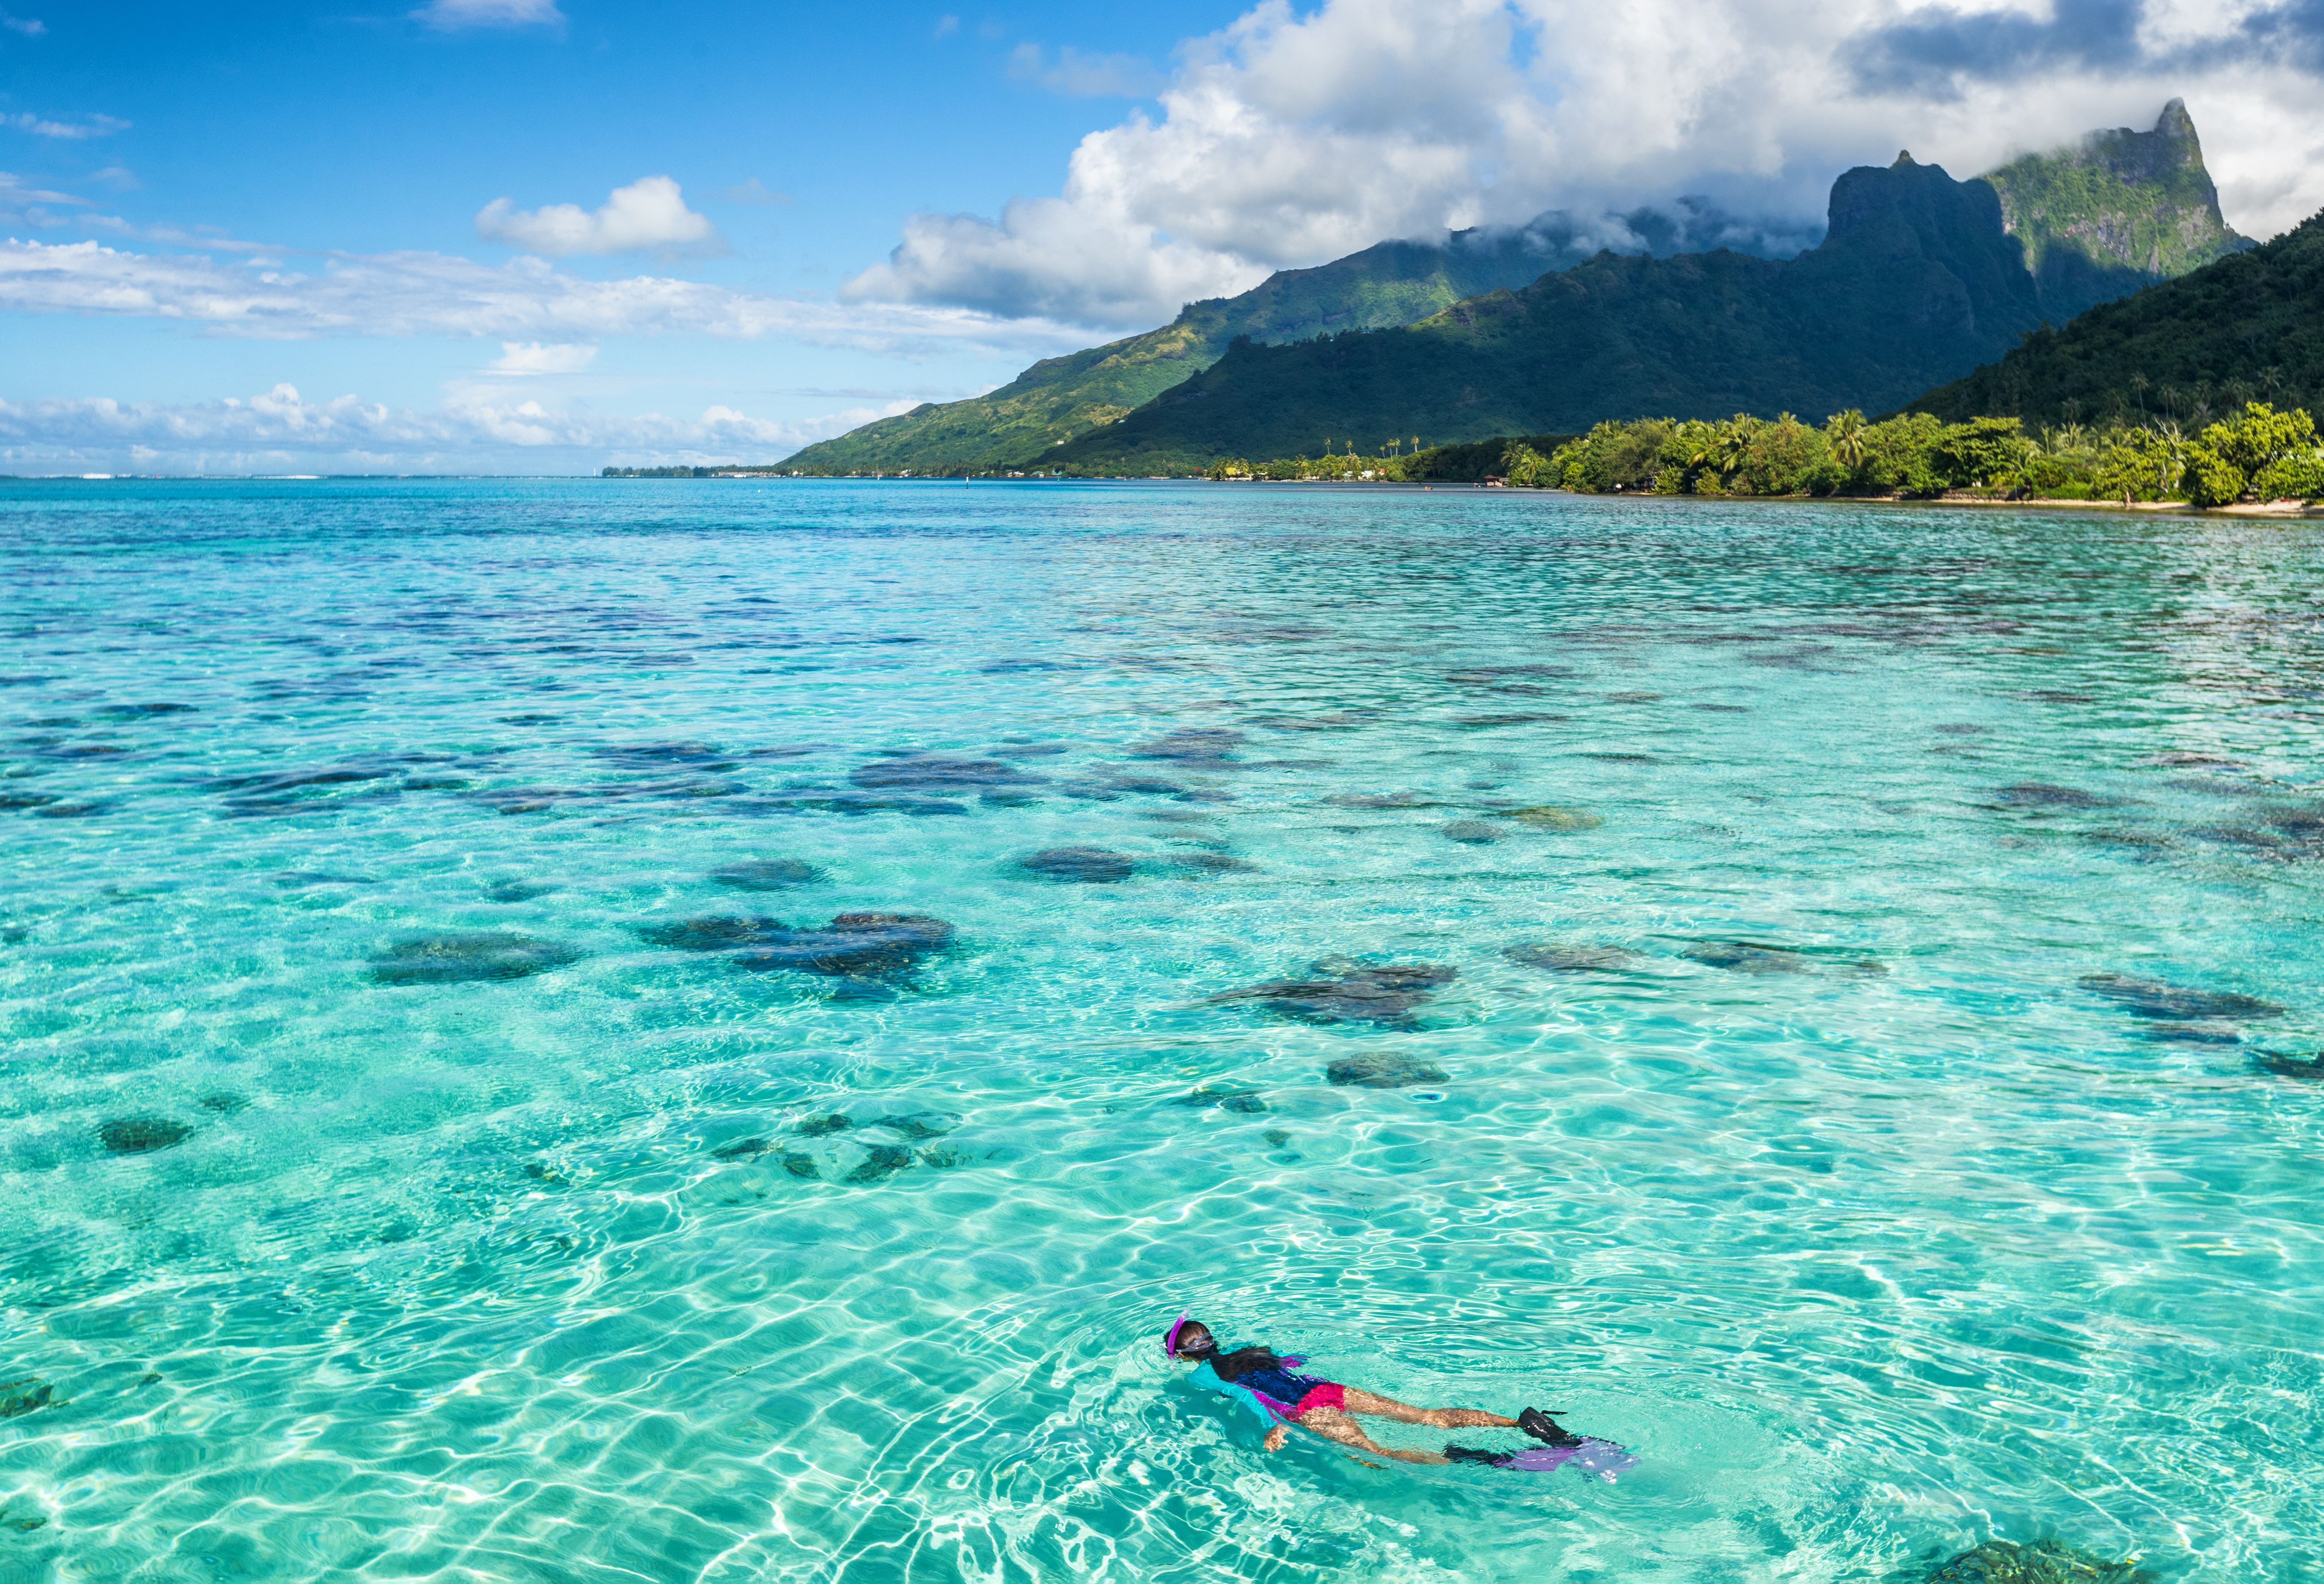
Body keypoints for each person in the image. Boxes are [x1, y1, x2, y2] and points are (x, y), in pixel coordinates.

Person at [1162, 1314, 1586, 1467]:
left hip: (1303, 1409)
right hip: (1329, 1389)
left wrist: (1274, 1427)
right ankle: (1523, 1422)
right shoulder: (1247, 1350)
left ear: (1182, 1355)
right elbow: (1293, 1361)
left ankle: (1487, 1459)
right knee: (1427, 1415)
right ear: (1213, 1338)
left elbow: (1250, 1396)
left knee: (1378, 1452)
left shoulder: (1199, 1377)